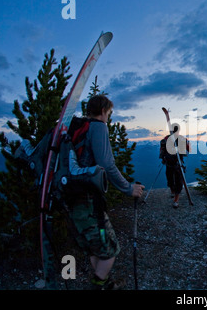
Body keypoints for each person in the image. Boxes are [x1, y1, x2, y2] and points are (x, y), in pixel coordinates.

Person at [68, 94, 144, 290]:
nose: (108, 117)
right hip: (88, 201)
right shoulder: (98, 127)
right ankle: (99, 285)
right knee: (110, 249)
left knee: (96, 247)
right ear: (103, 111)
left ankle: (104, 282)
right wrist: (128, 188)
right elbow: (107, 165)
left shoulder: (78, 128)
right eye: (109, 113)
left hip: (72, 197)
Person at [159, 124, 189, 208]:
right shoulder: (165, 139)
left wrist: (180, 148)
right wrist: (163, 158)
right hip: (169, 163)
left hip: (178, 164)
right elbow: (162, 150)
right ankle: (173, 191)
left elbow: (186, 152)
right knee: (170, 180)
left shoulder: (182, 139)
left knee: (178, 181)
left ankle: (176, 199)